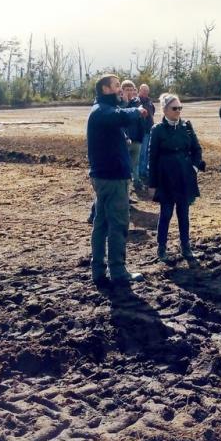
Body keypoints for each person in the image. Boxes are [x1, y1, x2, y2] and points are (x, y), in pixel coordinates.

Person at [87, 74, 148, 288]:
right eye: (115, 86)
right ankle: (118, 270)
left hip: (105, 176)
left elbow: (119, 114)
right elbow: (120, 116)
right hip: (112, 178)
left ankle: (98, 270)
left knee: (101, 223)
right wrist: (136, 110)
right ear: (105, 89)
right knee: (118, 223)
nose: (119, 90)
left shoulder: (101, 110)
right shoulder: (102, 112)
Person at [149, 93, 206, 262]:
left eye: (180, 108)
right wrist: (152, 183)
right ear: (165, 110)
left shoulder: (186, 126)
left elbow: (197, 149)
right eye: (175, 108)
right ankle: (161, 248)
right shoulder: (157, 130)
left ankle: (186, 246)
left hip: (184, 177)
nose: (178, 111)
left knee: (184, 214)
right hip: (166, 177)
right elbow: (152, 158)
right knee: (166, 213)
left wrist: (194, 167)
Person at [121, 80, 145, 193]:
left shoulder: (138, 103)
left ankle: (136, 182)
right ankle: (125, 193)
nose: (130, 92)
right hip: (124, 141)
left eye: (131, 89)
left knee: (135, 164)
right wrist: (125, 102)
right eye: (127, 90)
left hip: (137, 139)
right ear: (122, 91)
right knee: (124, 167)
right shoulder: (119, 104)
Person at [136, 84, 155, 184]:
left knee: (147, 152)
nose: (145, 93)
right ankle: (140, 173)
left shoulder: (149, 101)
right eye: (143, 90)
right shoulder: (137, 102)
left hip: (149, 130)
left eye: (147, 91)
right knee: (141, 153)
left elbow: (152, 113)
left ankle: (145, 172)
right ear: (140, 90)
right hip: (141, 131)